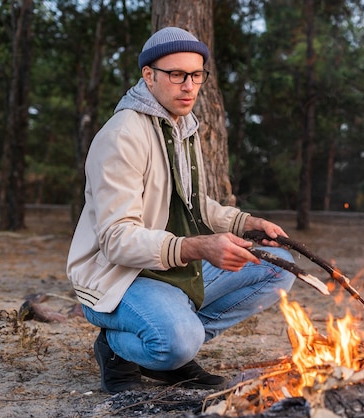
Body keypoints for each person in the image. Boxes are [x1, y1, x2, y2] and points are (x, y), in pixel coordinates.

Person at [66, 27, 296, 394]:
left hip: (171, 271)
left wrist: (246, 223)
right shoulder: (122, 136)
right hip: (119, 278)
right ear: (149, 75)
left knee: (276, 267)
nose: (188, 85)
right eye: (176, 75)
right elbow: (116, 240)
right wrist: (199, 248)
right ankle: (120, 347)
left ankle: (169, 340)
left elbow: (192, 202)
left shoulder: (181, 127)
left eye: (196, 75)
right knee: (177, 342)